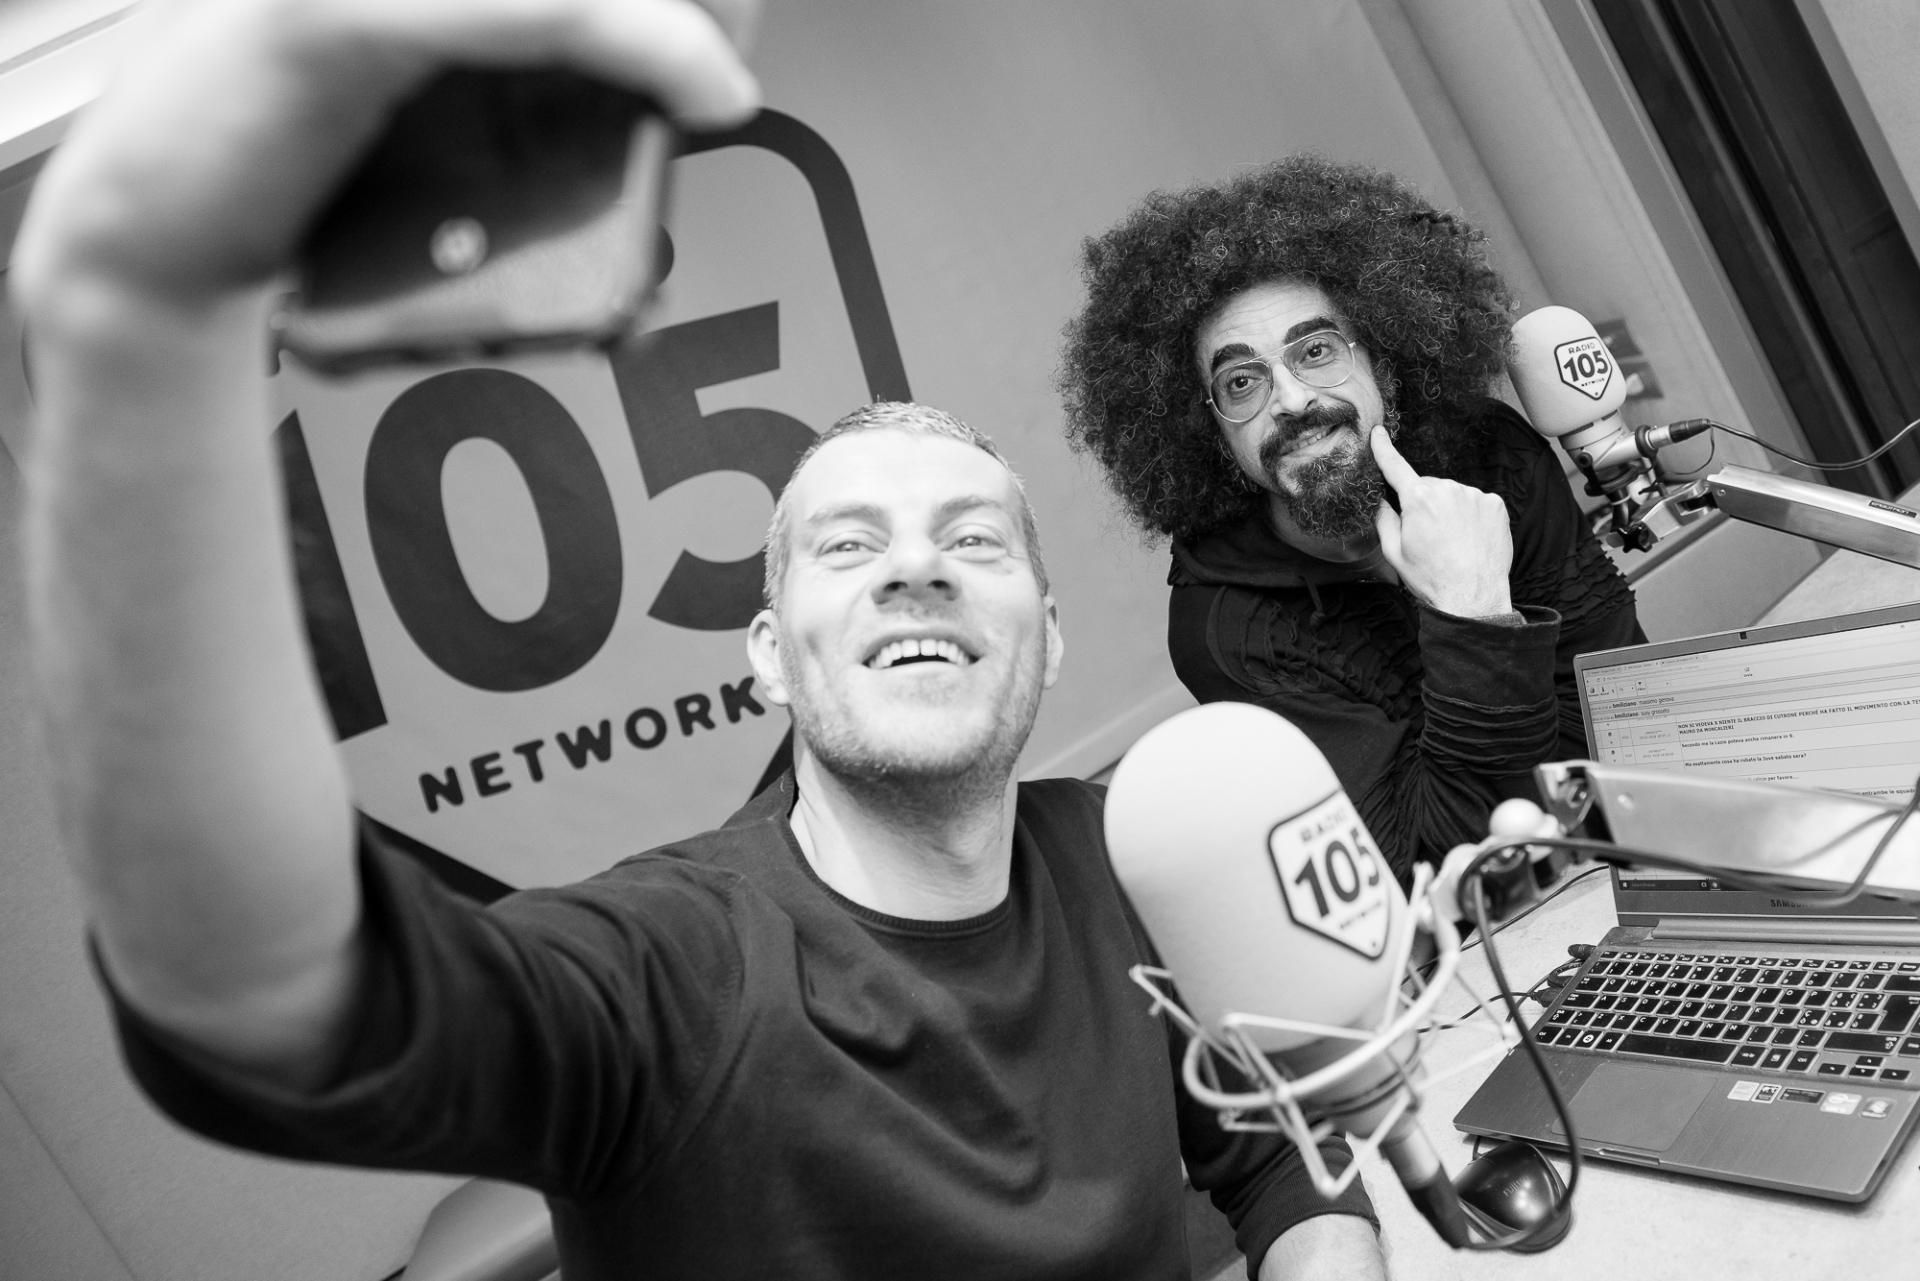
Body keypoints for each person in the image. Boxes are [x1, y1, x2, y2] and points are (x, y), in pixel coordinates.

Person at [10, 3, 1389, 1277]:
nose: (917, 567)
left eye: (974, 541)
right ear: (769, 656)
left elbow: (1276, 1155)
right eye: (848, 547)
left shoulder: (1121, 856)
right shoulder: (667, 970)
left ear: (1050, 636)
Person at [1057, 155, 1644, 886]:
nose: (1292, 400)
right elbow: (1436, 860)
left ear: (1384, 364)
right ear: (1210, 433)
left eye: (1316, 351)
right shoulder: (1229, 633)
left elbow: (1628, 720)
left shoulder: (1491, 458)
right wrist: (1475, 617)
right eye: (1241, 382)